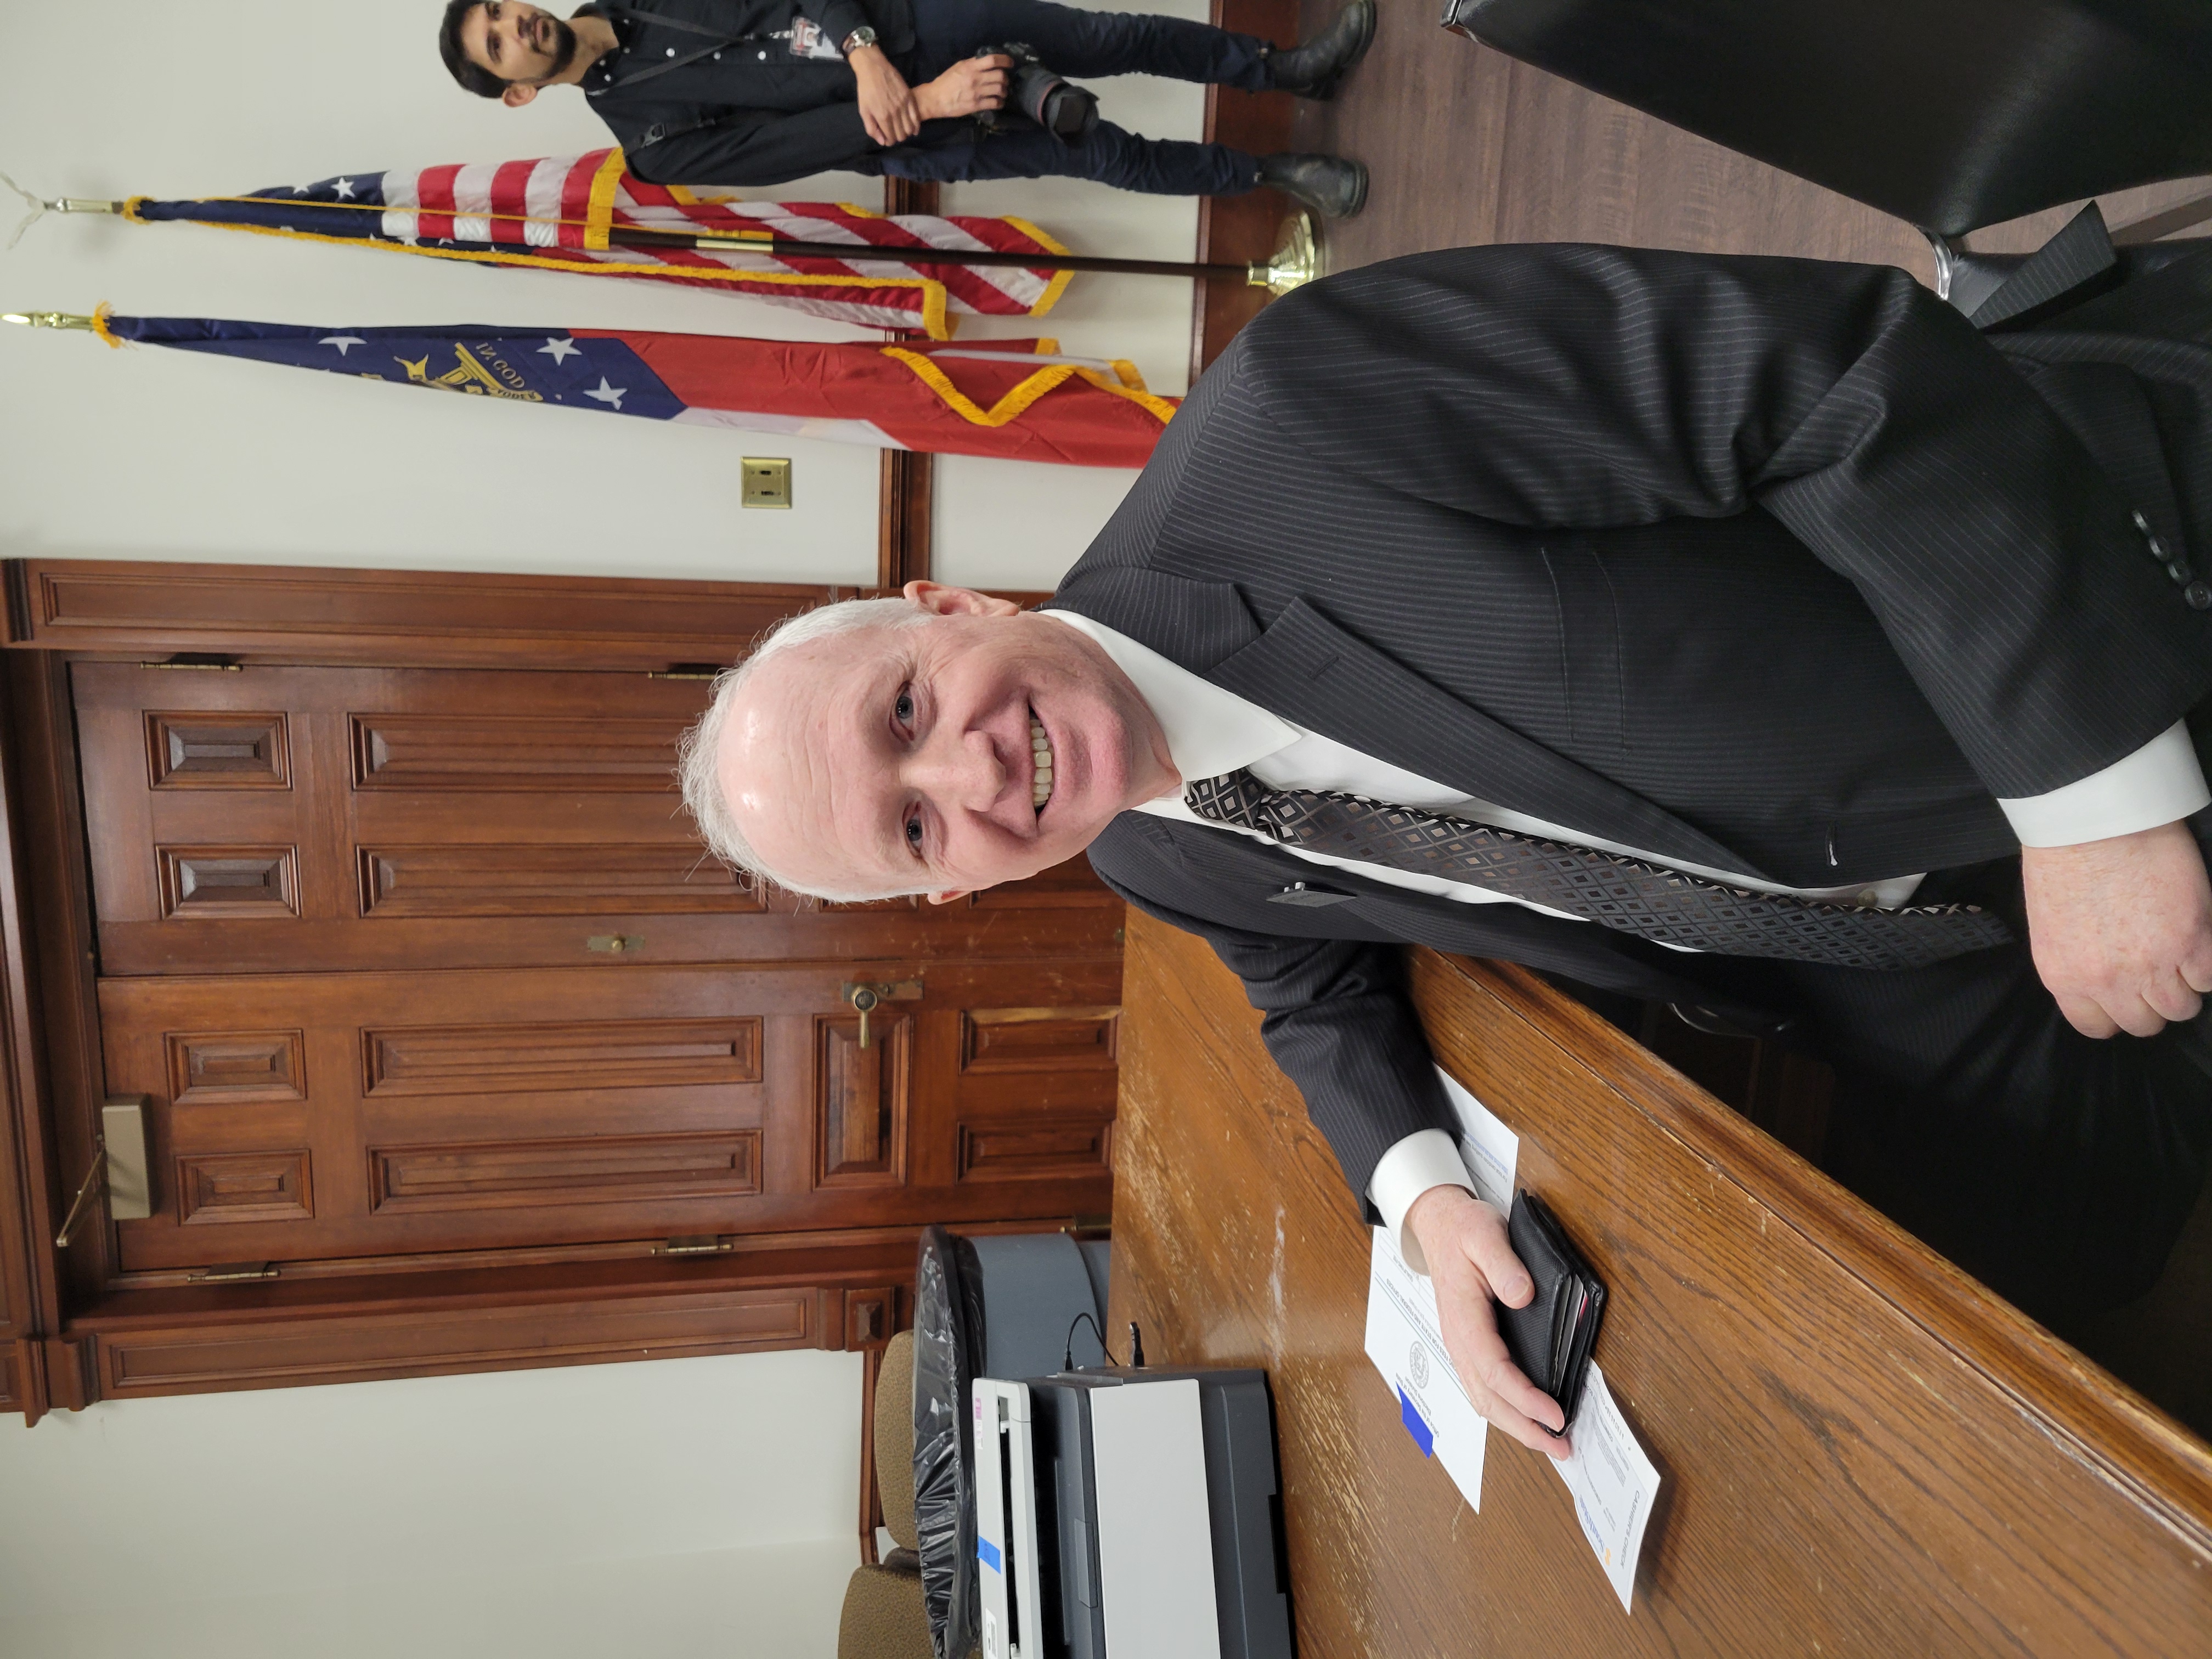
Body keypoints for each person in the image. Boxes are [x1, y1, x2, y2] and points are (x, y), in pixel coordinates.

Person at [677, 229, 2212, 1458]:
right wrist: (1420, 1195)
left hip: (2082, 653)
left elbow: (1845, 377)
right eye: (919, 821)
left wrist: (2094, 803)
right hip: (1879, 955)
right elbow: (1303, 986)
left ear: (950, 608)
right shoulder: (1148, 854)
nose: (971, 765)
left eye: (904, 709)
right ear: (954, 885)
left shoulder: (1302, 415)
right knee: (2031, 1336)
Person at [436, 0, 1373, 217]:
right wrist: (921, 100)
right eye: (497, 42)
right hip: (912, 127)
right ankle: (1273, 176)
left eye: (500, 11)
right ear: (517, 89)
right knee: (1100, 154)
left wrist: (862, 46)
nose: (516, 22)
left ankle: (1285, 70)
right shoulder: (650, 147)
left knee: (1112, 39)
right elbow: (787, 148)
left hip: (904, 20)